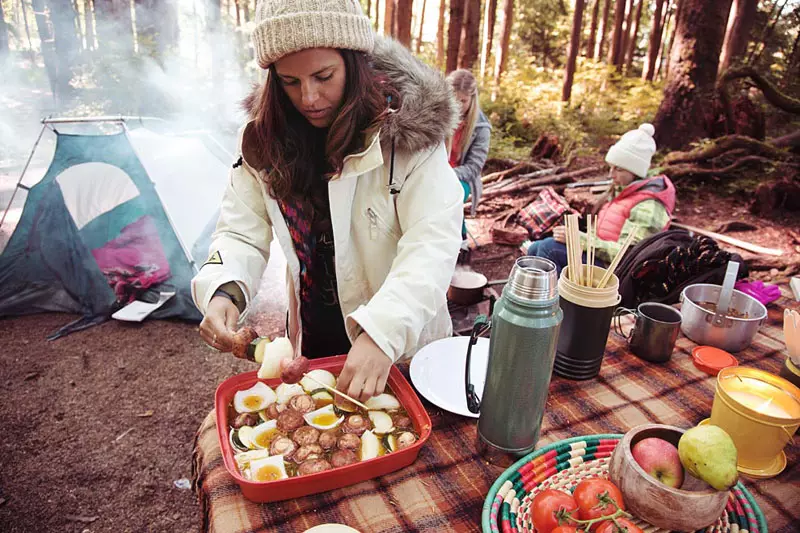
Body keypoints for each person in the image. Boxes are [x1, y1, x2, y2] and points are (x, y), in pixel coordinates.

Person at [191, 0, 464, 402]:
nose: (309, 97)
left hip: (399, 344)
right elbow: (240, 230)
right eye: (289, 82)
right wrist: (223, 289)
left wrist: (382, 332)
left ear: (352, 63)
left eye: (324, 76)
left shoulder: (407, 137)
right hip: (314, 333)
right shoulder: (263, 141)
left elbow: (432, 242)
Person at [526, 123, 675, 276]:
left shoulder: (649, 204)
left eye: (619, 169)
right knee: (535, 248)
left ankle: (554, 299)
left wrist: (580, 241)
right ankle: (530, 296)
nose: (611, 175)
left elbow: (631, 253)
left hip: (617, 270)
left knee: (548, 249)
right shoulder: (622, 191)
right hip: (599, 257)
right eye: (611, 167)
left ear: (635, 171)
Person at [447, 69, 491, 261]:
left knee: (449, 195)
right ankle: (458, 243)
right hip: (433, 173)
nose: (457, 105)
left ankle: (459, 246)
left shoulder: (481, 128)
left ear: (472, 99)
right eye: (453, 99)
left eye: (463, 101)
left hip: (461, 177)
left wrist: (446, 174)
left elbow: (474, 167)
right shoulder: (439, 114)